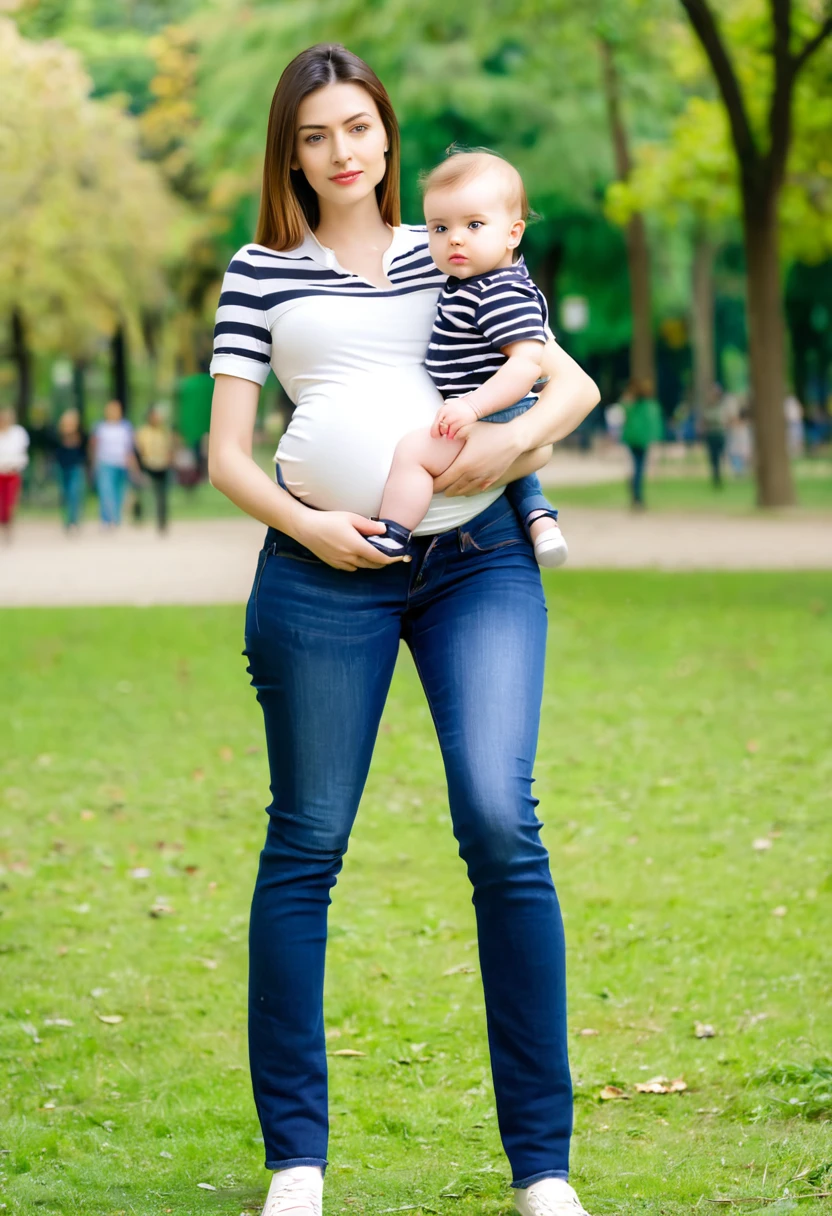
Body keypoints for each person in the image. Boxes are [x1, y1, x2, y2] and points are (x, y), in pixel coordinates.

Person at [208, 44, 600, 1216]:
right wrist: (313, 528)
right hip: (323, 573)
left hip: (475, 565)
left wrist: (498, 453)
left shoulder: (455, 242)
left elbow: (567, 389)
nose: (343, 153)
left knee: (499, 818)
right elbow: (230, 454)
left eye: (360, 128)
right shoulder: (259, 269)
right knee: (308, 841)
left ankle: (541, 1169)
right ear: (291, 150)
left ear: (387, 132)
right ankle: (297, 1163)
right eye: (317, 135)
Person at [366, 150, 567, 569]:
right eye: (439, 227)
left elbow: (527, 363)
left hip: (491, 409)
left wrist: (472, 407)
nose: (454, 238)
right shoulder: (476, 281)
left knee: (414, 455)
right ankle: (541, 521)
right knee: (514, 480)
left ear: (513, 233)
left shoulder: (498, 292)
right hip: (486, 408)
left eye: (474, 225)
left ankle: (393, 534)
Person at [89, 399, 135, 527]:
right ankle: (106, 519)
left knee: (119, 492)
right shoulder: (100, 427)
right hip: (105, 463)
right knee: (106, 491)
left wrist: (133, 465)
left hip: (121, 464)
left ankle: (116, 518)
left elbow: (129, 448)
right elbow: (94, 447)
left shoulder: (126, 427)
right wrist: (93, 463)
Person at [621, 378, 663, 509]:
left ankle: (635, 493)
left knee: (635, 467)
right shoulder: (649, 406)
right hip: (641, 440)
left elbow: (623, 413)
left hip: (632, 439)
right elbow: (653, 423)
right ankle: (638, 495)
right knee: (639, 468)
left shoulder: (631, 405)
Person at [135, 405, 175, 532]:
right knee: (143, 493)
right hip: (148, 465)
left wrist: (169, 459)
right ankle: (139, 516)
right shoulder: (143, 432)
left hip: (162, 466)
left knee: (162, 495)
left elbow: (169, 447)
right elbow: (139, 450)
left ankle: (162, 522)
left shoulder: (163, 431)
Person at [53, 407, 89, 531]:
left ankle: (74, 520)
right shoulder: (58, 435)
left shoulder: (81, 435)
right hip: (62, 467)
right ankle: (66, 520)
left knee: (75, 493)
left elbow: (85, 452)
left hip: (76, 467)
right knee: (64, 495)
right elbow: (55, 452)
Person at [0, 406, 29, 540]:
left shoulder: (18, 433)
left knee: (10, 501)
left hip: (12, 472)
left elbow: (22, 452)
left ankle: (9, 526)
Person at [701, 382, 727, 489]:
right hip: (711, 435)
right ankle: (716, 479)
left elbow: (723, 420)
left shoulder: (722, 406)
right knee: (713, 458)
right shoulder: (708, 407)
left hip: (719, 434)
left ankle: (719, 478)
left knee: (719, 458)